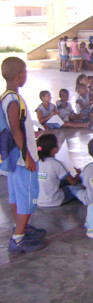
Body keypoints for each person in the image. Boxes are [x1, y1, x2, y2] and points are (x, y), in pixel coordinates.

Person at [1, 57, 46, 253]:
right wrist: (27, 156)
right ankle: (18, 240)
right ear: (20, 75)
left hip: (12, 158)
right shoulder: (14, 100)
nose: (26, 75)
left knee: (16, 196)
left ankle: (20, 228)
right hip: (21, 159)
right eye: (25, 72)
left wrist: (32, 136)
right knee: (28, 198)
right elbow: (15, 130)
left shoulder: (5, 96)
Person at [36, 134, 82, 207]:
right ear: (54, 149)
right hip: (54, 200)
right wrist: (79, 175)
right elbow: (73, 182)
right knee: (77, 187)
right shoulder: (56, 163)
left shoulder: (36, 163)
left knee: (59, 181)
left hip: (38, 200)